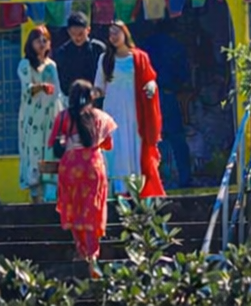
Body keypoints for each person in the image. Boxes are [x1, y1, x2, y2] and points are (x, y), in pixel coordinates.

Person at [49, 79, 117, 277]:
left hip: (70, 169)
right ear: (91, 97)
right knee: (92, 211)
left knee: (74, 210)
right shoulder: (100, 117)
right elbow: (108, 144)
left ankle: (81, 251)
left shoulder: (63, 117)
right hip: (93, 168)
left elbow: (54, 145)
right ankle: (93, 254)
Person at [93, 21, 164, 197]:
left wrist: (151, 85)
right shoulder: (105, 59)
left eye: (117, 32)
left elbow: (150, 78)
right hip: (112, 111)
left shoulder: (139, 57)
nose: (114, 36)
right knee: (116, 148)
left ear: (125, 33)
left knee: (134, 145)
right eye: (111, 33)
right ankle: (119, 190)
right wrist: (89, 95)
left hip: (135, 111)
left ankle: (137, 190)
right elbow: (99, 87)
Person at [141, 24, 193, 188]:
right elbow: (183, 73)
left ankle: (154, 179)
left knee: (152, 140)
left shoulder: (143, 47)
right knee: (177, 138)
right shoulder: (175, 45)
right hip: (168, 95)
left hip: (148, 96)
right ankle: (185, 179)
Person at [18, 25, 64, 203]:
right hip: (32, 118)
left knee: (50, 153)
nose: (41, 43)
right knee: (33, 155)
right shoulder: (25, 65)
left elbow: (58, 91)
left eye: (45, 40)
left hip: (50, 116)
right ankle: (35, 198)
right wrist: (41, 87)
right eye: (38, 40)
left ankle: (51, 200)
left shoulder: (52, 66)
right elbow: (26, 88)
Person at [54, 11, 106, 97]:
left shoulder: (98, 49)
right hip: (71, 98)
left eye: (81, 34)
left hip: (96, 97)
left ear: (88, 30)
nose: (77, 37)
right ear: (68, 32)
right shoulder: (62, 52)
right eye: (73, 34)